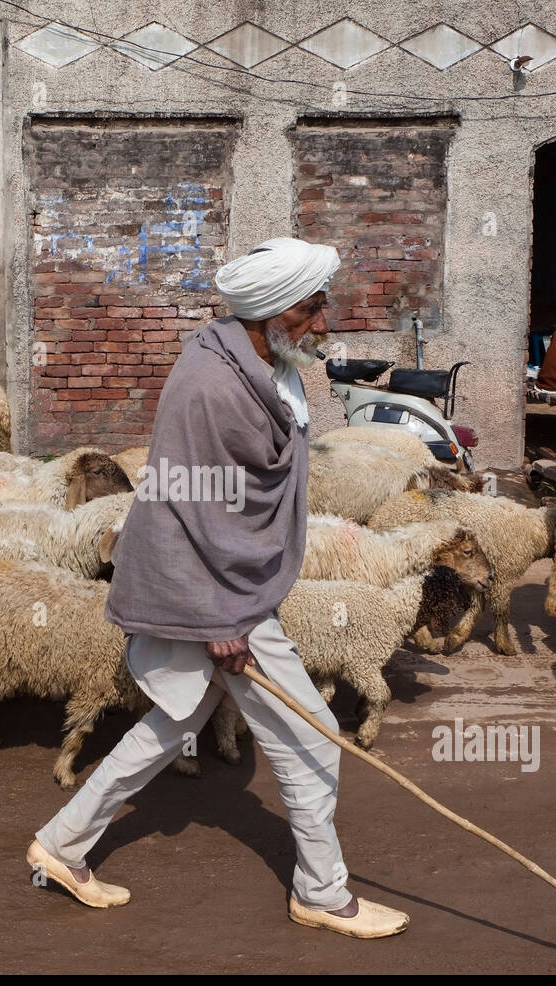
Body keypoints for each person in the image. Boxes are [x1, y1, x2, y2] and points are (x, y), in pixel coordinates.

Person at [26, 236, 411, 939]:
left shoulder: (269, 359)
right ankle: (323, 895)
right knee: (313, 735)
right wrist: (214, 620)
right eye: (310, 306)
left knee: (174, 722)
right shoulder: (208, 386)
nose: (322, 321)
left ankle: (60, 844)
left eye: (322, 303)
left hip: (235, 583)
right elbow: (179, 508)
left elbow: (278, 454)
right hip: (214, 594)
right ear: (270, 313)